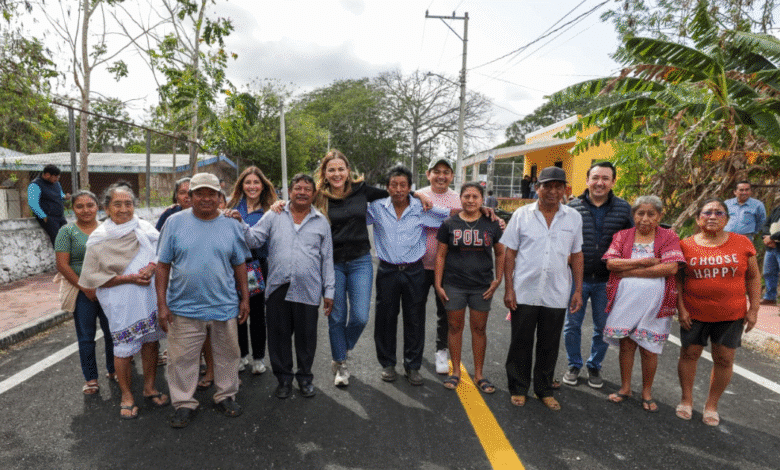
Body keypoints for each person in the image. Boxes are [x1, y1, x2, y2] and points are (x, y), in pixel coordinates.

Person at [156, 172, 251, 429]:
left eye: (212, 193)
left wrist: (245, 298)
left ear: (221, 197)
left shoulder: (231, 225)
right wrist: (162, 305)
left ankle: (226, 395)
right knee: (181, 359)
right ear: (190, 196)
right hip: (184, 306)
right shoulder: (174, 223)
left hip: (224, 304)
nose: (206, 198)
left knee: (228, 355)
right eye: (200, 193)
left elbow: (240, 263)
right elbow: (162, 266)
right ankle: (184, 402)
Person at [241, 174, 335, 399]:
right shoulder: (274, 215)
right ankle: (283, 379)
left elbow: (327, 259)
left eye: (307, 189)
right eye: (297, 188)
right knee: (279, 335)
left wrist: (329, 291)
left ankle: (304, 378)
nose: (302, 192)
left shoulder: (321, 222)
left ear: (314, 194)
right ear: (289, 192)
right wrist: (239, 222)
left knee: (306, 337)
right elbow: (254, 240)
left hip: (308, 288)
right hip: (278, 286)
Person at [79, 183, 168, 420]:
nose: (124, 209)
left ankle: (149, 387)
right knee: (123, 350)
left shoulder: (144, 228)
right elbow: (92, 278)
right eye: (117, 204)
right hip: (119, 299)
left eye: (128, 203)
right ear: (107, 209)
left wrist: (151, 267)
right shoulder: (99, 238)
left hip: (148, 295)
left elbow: (162, 254)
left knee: (150, 343)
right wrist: (128, 278)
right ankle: (126, 395)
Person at [502, 166, 583, 410]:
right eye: (547, 186)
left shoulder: (573, 217)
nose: (552, 191)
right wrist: (508, 288)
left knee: (549, 343)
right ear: (537, 188)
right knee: (521, 341)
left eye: (558, 187)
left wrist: (578, 289)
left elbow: (577, 254)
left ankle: (544, 389)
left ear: (565, 190)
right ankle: (518, 387)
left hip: (557, 291)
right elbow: (510, 253)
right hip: (525, 289)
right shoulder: (522, 215)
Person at [676, 198, 760, 426]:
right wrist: (681, 308)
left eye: (719, 213)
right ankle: (686, 399)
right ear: (698, 218)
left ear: (727, 218)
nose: (712, 216)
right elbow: (679, 280)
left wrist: (753, 309)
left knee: (724, 359)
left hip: (731, 314)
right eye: (707, 212)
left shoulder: (742, 243)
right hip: (694, 312)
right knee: (689, 354)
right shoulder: (685, 245)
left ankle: (711, 405)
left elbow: (753, 277)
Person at [601, 196, 685, 412]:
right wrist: (644, 261)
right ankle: (625, 388)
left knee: (649, 349)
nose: (645, 218)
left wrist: (628, 269)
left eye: (651, 214)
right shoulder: (622, 236)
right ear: (633, 215)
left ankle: (647, 391)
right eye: (640, 213)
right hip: (625, 302)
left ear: (659, 216)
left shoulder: (668, 236)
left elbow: (670, 268)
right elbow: (611, 263)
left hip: (655, 305)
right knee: (627, 345)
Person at [369, 165, 450, 385]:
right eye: (393, 185)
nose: (398, 189)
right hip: (387, 270)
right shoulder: (376, 208)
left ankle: (412, 366)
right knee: (385, 319)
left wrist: (489, 215)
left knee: (415, 319)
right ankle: (387, 364)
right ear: (387, 187)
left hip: (415, 271)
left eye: (403, 185)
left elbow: (450, 216)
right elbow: (353, 210)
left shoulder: (421, 207)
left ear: (410, 187)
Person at [562, 161, 633, 388]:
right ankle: (574, 364)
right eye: (595, 178)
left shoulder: (624, 209)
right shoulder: (573, 207)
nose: (599, 183)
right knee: (572, 325)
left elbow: (633, 240)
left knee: (602, 327)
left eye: (605, 178)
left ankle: (594, 366)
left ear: (613, 182)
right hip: (577, 279)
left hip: (607, 280)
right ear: (587, 180)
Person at [434, 183, 504, 393]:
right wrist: (438, 283)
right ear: (461, 198)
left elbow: (500, 253)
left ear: (482, 200)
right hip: (454, 284)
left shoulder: (491, 224)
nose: (471, 200)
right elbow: (440, 255)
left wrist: (498, 279)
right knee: (455, 327)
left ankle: (479, 374)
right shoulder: (449, 223)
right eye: (467, 196)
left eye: (475, 197)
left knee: (479, 329)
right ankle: (455, 371)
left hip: (481, 286)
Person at [54, 190, 115, 395]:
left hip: (108, 288)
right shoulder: (66, 232)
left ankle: (114, 369)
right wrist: (85, 287)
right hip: (82, 292)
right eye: (79, 206)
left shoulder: (108, 229)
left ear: (97, 206)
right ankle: (90, 379)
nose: (85, 210)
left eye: (90, 205)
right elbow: (62, 265)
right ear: (73, 209)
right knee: (86, 336)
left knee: (112, 333)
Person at [227, 166, 277, 374]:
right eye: (248, 183)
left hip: (256, 265)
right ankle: (242, 355)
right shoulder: (232, 206)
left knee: (256, 313)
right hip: (233, 266)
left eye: (256, 182)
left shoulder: (270, 210)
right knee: (237, 310)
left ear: (263, 185)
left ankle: (258, 357)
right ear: (242, 185)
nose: (252, 186)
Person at [417, 158, 462, 375]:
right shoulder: (418, 195)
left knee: (445, 312)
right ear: (428, 174)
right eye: (437, 171)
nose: (441, 176)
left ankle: (441, 351)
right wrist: (416, 195)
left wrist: (496, 219)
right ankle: (414, 353)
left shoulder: (458, 199)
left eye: (446, 172)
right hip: (417, 264)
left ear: (452, 176)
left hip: (447, 267)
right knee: (415, 310)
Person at [28, 164, 70, 246]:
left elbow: (60, 194)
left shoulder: (56, 183)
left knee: (68, 237)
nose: (57, 179)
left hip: (60, 216)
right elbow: (33, 203)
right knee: (58, 241)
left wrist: (65, 197)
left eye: (58, 177)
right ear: (47, 175)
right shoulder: (35, 185)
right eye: (55, 177)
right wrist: (44, 217)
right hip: (49, 218)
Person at [760, 196, 780, 305]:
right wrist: (766, 237)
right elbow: (766, 224)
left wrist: (772, 237)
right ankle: (770, 297)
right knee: (768, 273)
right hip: (771, 247)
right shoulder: (777, 209)